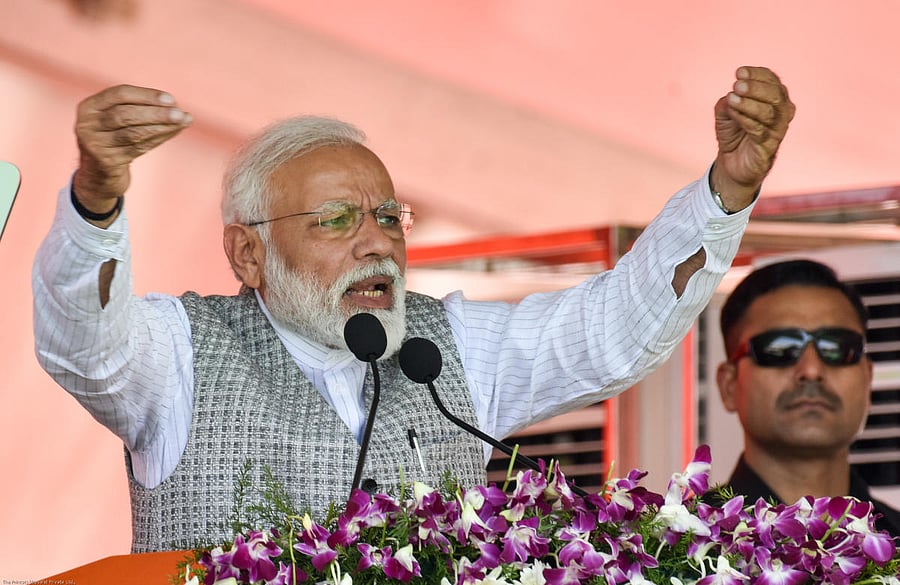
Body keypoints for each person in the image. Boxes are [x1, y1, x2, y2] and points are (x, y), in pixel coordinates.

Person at [33, 66, 794, 552]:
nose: (377, 243)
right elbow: (84, 345)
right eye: (336, 220)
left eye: (388, 217)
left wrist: (725, 193)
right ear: (247, 254)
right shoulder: (182, 353)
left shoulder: (446, 346)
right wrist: (95, 202)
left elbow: (611, 335)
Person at [714, 258, 900, 536]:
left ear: (868, 378)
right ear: (729, 384)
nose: (811, 370)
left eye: (837, 348)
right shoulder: (673, 550)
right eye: (780, 348)